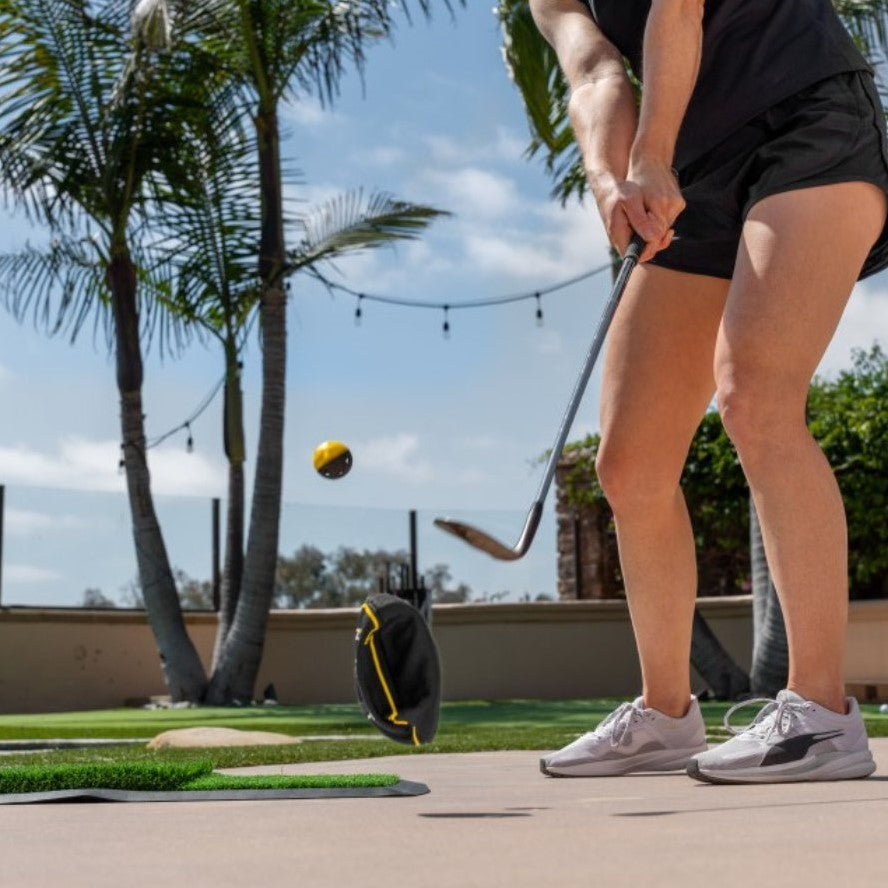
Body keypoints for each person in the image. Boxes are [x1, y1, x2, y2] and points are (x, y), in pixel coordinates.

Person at [532, 0, 887, 783]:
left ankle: (823, 715)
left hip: (808, 119)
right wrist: (610, 183)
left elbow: (678, 9)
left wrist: (653, 155)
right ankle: (664, 716)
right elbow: (594, 70)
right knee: (628, 464)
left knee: (755, 395)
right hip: (698, 172)